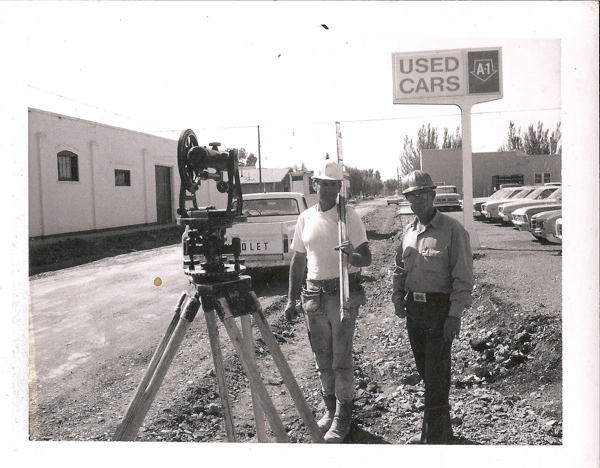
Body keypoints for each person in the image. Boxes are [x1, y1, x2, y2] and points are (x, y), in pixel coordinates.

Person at [284, 161, 371, 444]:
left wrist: (352, 257)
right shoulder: (306, 218)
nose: (329, 189)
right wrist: (290, 299)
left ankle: (343, 419)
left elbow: (366, 258)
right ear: (315, 185)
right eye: (324, 183)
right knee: (322, 358)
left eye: (334, 184)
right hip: (313, 296)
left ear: (339, 187)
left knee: (341, 359)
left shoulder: (349, 216)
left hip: (342, 294)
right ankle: (330, 409)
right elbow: (298, 260)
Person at [391, 170, 473, 444]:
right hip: (415, 311)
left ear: (433, 195)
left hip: (440, 312)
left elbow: (463, 277)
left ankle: (435, 437)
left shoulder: (452, 230)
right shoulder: (409, 231)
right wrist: (397, 297)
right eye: (411, 196)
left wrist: (455, 315)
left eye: (423, 194)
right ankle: (438, 429)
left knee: (437, 374)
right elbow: (400, 270)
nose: (418, 201)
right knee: (427, 373)